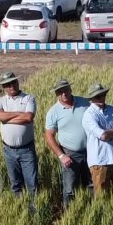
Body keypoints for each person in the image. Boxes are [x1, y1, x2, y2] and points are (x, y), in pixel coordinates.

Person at [44, 78, 91, 207]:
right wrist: (61, 155)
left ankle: (91, 212)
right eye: (59, 91)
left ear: (70, 89)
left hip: (91, 152)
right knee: (70, 189)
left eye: (65, 89)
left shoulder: (85, 103)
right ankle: (69, 216)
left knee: (91, 186)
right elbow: (49, 135)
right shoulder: (53, 112)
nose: (63, 93)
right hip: (70, 155)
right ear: (56, 94)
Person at [81, 83, 113, 200]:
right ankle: (104, 218)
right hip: (100, 161)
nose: (102, 98)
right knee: (102, 197)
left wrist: (111, 133)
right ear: (92, 99)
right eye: (98, 96)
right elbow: (103, 136)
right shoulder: (89, 115)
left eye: (103, 95)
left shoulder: (112, 109)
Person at [0, 71, 38, 197]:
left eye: (13, 82)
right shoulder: (0, 100)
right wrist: (19, 113)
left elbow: (28, 117)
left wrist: (5, 118)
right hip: (8, 150)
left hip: (26, 150)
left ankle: (33, 210)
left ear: (17, 82)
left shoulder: (29, 98)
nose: (11, 86)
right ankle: (20, 209)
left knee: (32, 184)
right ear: (3, 87)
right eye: (7, 84)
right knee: (15, 184)